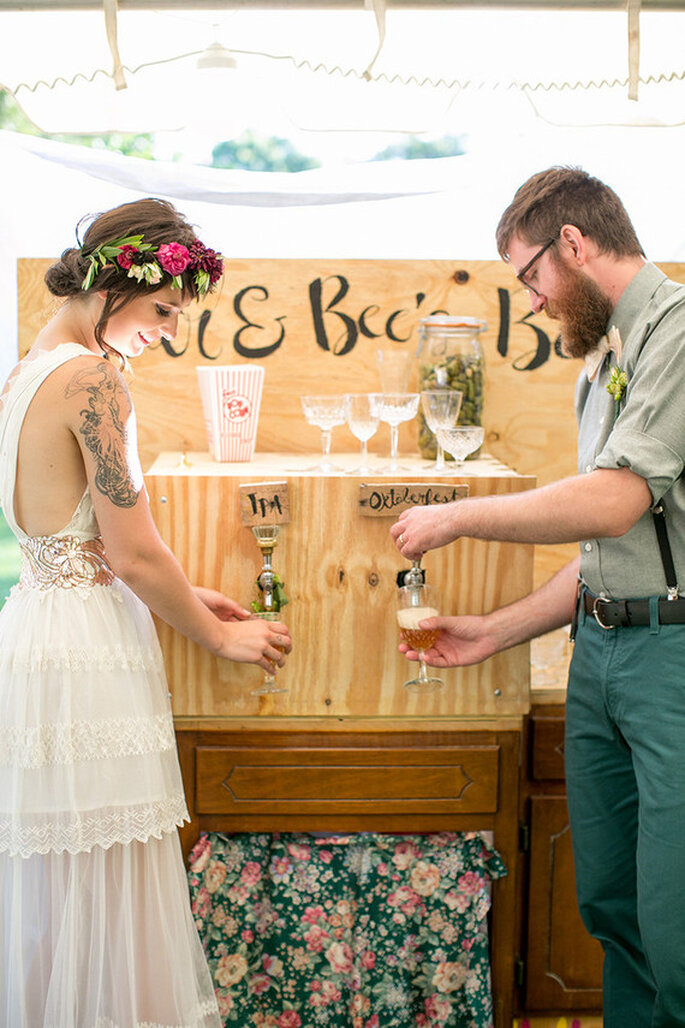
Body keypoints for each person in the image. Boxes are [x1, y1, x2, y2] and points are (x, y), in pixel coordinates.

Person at [390, 167, 685, 1028]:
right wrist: (495, 631)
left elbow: (613, 499)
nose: (528, 302)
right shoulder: (602, 364)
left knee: (675, 928)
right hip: (600, 655)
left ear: (573, 244)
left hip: (671, 661)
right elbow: (610, 550)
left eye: (528, 277)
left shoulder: (676, 336)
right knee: (610, 907)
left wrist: (459, 515)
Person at [0, 197, 292, 1027]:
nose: (167, 332)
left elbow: (73, 539)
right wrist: (220, 633)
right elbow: (130, 551)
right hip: (86, 650)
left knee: (61, 887)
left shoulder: (27, 369)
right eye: (164, 312)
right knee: (113, 873)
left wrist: (182, 590)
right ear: (114, 283)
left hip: (34, 632)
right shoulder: (94, 380)